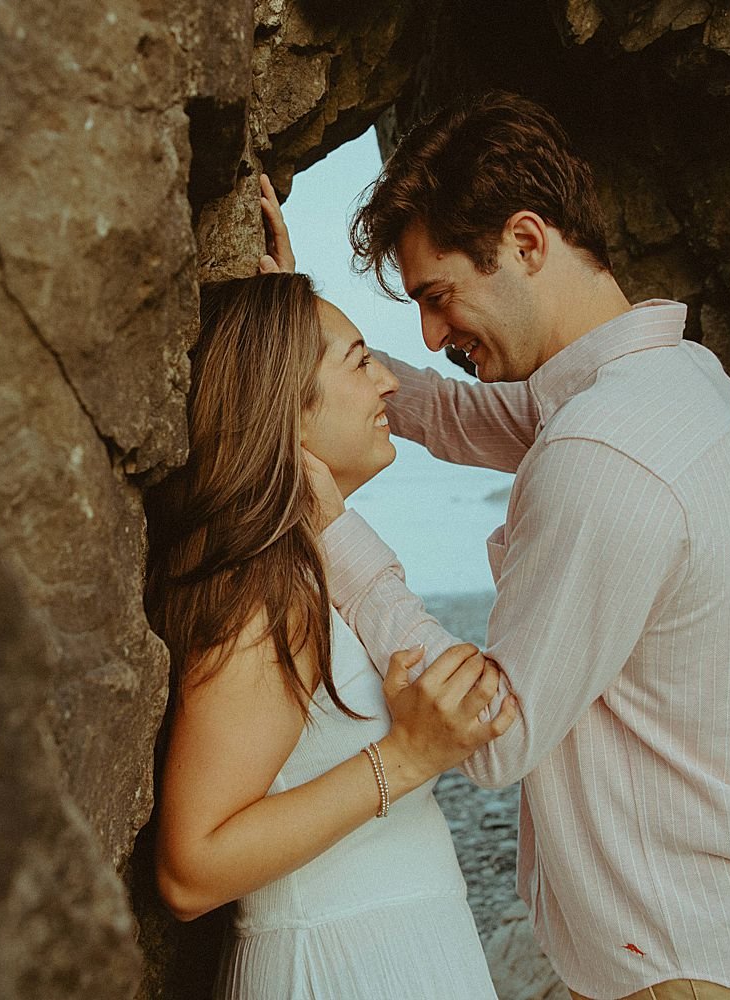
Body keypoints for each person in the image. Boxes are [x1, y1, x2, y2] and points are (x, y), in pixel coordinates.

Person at [261, 91, 730, 1000]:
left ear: (528, 244)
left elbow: (493, 734)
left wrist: (332, 532)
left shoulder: (600, 451)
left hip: (691, 966)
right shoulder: (675, 378)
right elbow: (466, 413)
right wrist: (306, 345)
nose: (428, 332)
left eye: (438, 296)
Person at [144, 271, 511, 999]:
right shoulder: (268, 592)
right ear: (286, 410)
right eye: (361, 359)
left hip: (388, 952)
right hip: (342, 966)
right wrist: (405, 759)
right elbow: (191, 868)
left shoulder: (303, 570)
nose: (390, 385)